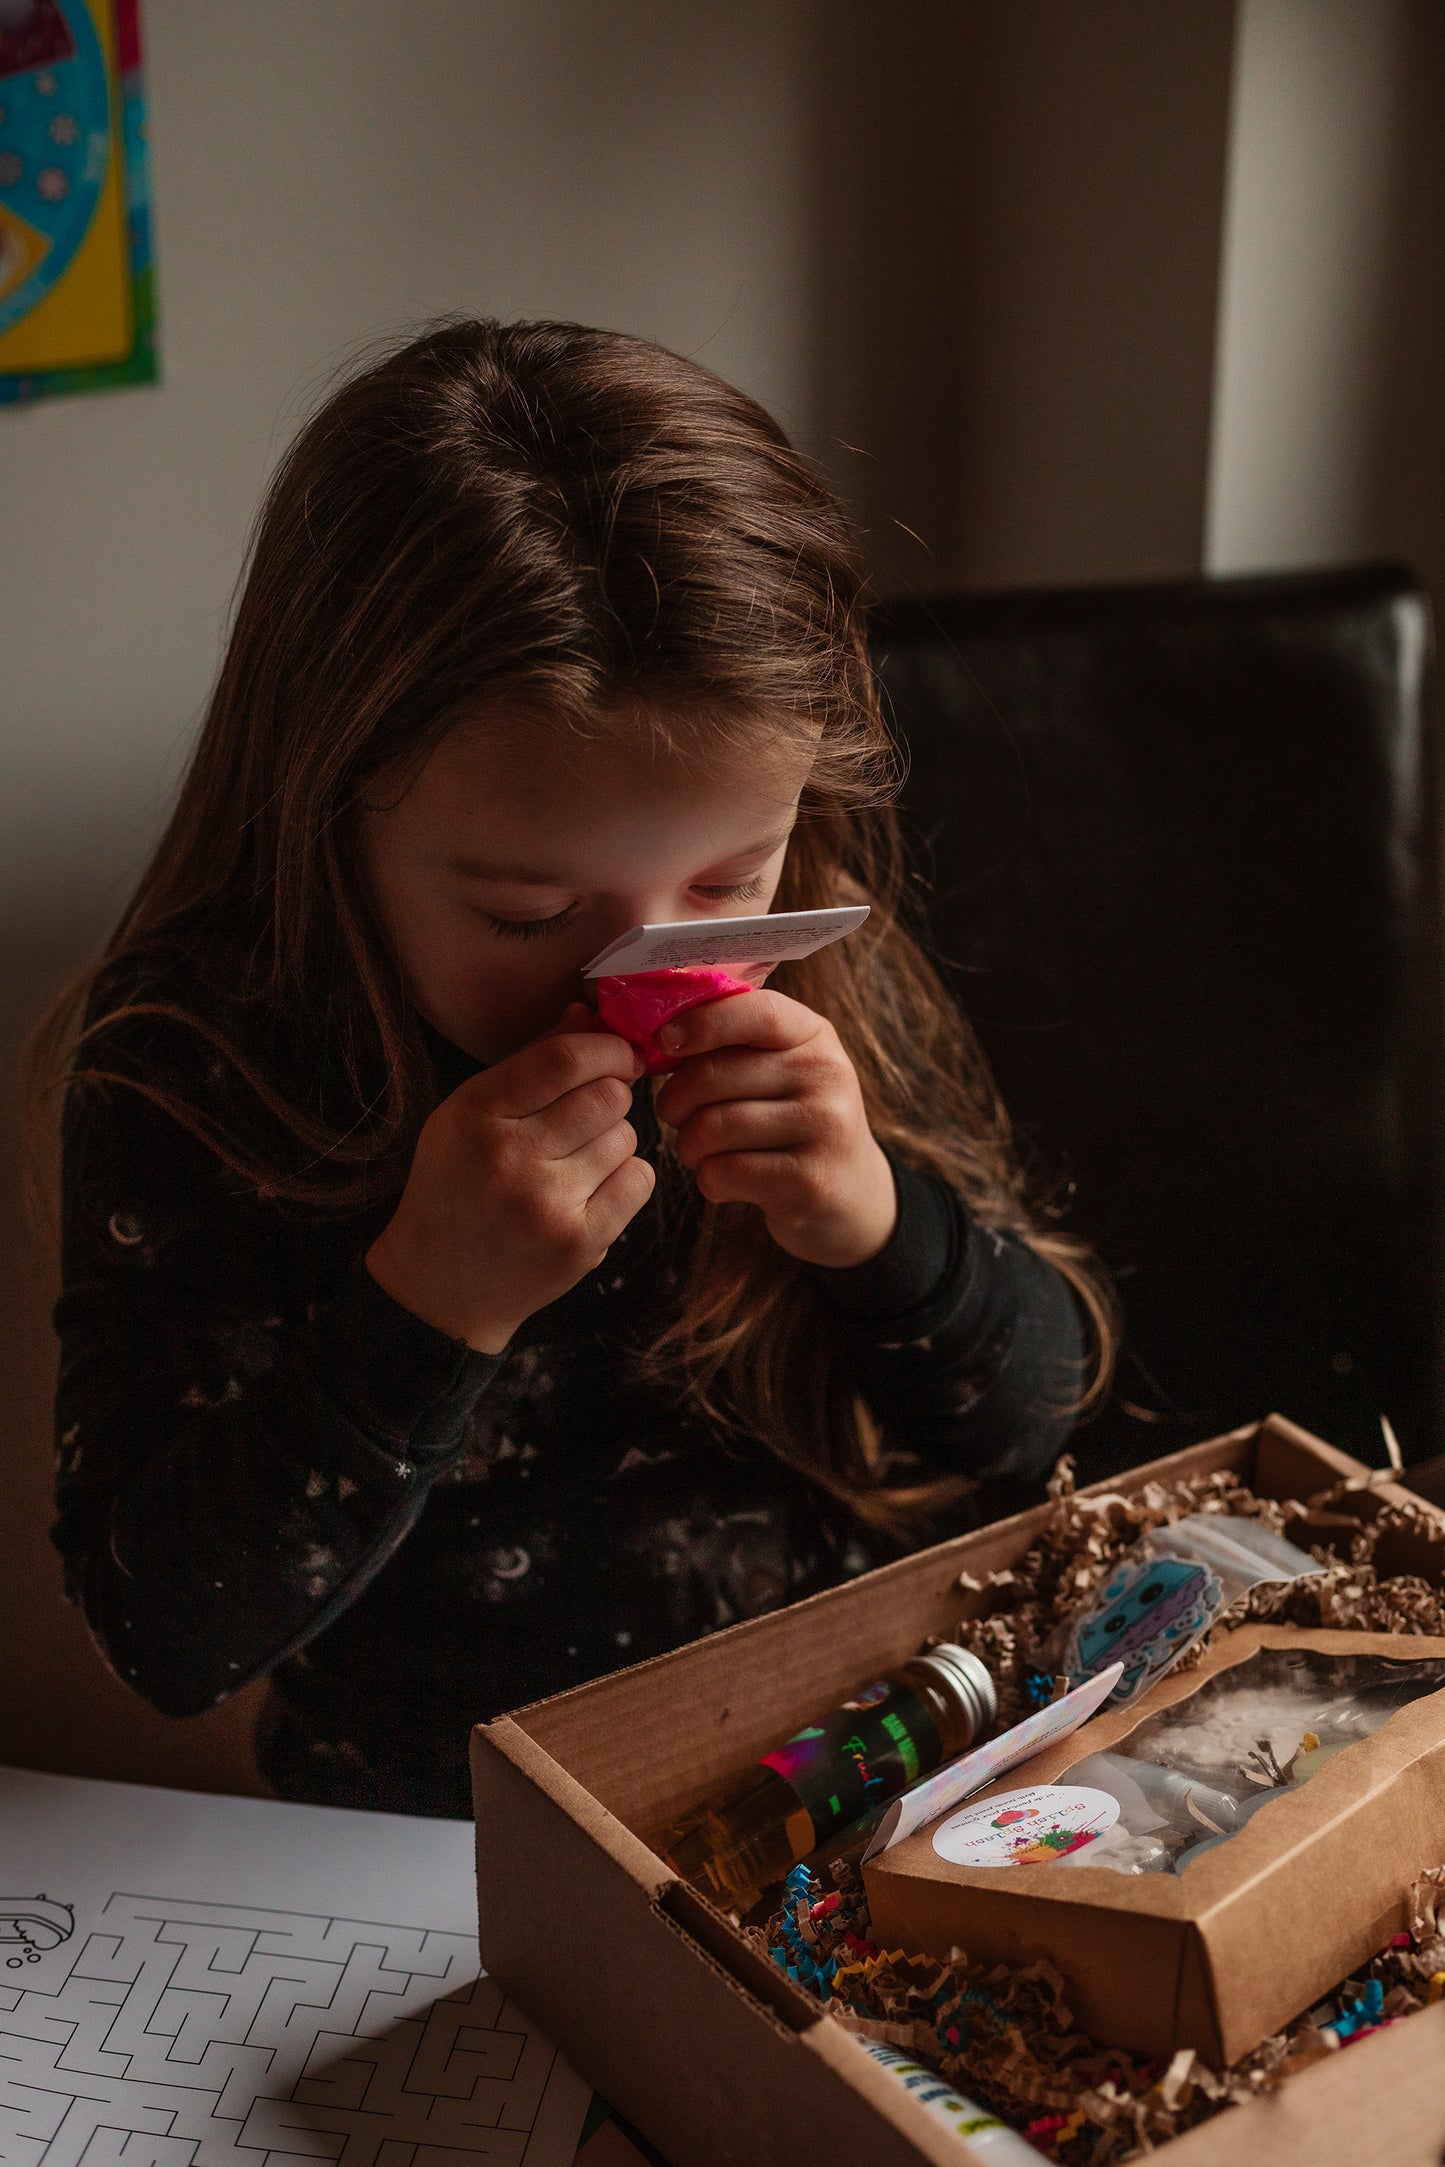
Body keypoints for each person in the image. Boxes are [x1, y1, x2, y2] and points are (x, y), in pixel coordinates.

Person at [34, 319, 1113, 1818]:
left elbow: (1032, 1425)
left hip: (838, 1762)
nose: (643, 972)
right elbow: (164, 1632)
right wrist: (428, 1302)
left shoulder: (825, 963)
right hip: (433, 1825)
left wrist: (873, 1225)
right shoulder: (200, 1063)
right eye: (530, 912)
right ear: (330, 811)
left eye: (731, 877)